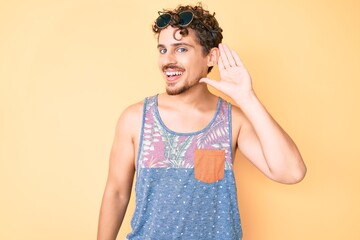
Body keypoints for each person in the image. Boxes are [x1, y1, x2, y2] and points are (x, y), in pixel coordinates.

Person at [97, 3, 306, 240]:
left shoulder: (233, 121)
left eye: (182, 49)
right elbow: (116, 193)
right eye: (163, 50)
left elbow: (292, 172)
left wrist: (248, 98)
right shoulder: (135, 118)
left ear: (211, 56)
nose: (168, 60)